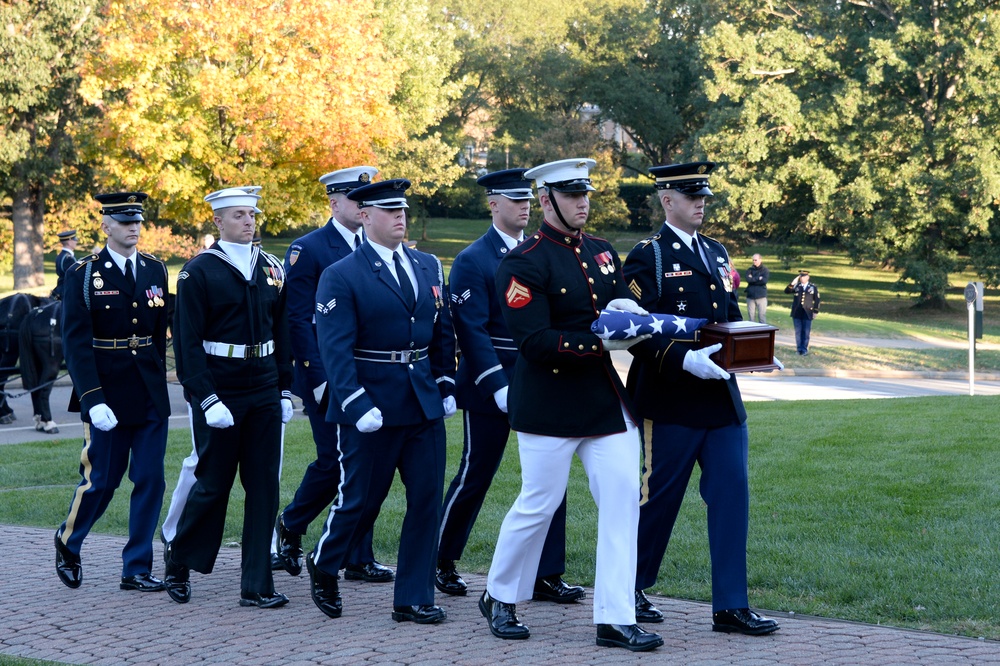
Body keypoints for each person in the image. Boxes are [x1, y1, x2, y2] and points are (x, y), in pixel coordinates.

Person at [480, 158, 662, 653]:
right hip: (549, 404)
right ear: (545, 200)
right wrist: (603, 340)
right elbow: (535, 340)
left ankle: (616, 617)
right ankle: (499, 596)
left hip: (603, 401)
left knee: (624, 499)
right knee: (538, 503)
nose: (583, 202)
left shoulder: (603, 252)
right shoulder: (523, 262)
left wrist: (659, 334)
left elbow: (627, 310)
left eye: (586, 194)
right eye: (572, 194)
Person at [622, 161, 779, 636]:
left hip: (720, 400)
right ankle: (627, 587)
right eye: (692, 196)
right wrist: (682, 359)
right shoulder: (646, 256)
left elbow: (729, 317)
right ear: (667, 200)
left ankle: (730, 605)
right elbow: (634, 331)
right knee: (658, 500)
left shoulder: (716, 252)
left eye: (704, 195)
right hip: (669, 398)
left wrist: (757, 353)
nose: (701, 203)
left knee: (732, 495)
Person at [305, 178, 456, 625]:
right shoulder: (342, 274)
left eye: (403, 210)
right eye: (389, 211)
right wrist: (354, 402)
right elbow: (333, 347)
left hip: (421, 401)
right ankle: (325, 561)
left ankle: (412, 597)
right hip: (369, 404)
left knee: (427, 499)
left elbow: (442, 330)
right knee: (360, 500)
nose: (400, 218)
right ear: (365, 216)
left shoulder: (427, 265)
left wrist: (446, 383)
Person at [436, 168, 582, 603]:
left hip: (539, 376)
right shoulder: (472, 259)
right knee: (476, 472)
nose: (523, 206)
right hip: (492, 380)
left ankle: (546, 573)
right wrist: (495, 383)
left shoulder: (543, 252)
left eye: (527, 200)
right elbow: (472, 330)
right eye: (513, 200)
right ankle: (440, 558)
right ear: (493, 204)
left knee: (550, 478)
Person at [163, 186, 294, 609]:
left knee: (263, 488)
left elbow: (283, 333)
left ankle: (256, 585)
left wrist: (285, 388)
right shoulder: (198, 271)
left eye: (252, 215)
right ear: (218, 221)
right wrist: (206, 398)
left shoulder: (272, 267)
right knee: (213, 484)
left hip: (263, 387)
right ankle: (178, 559)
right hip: (221, 388)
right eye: (239, 215)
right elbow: (187, 344)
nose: (249, 221)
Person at [273, 166, 392, 583]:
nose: (362, 208)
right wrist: (320, 379)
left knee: (371, 465)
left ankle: (357, 557)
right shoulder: (309, 249)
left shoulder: (377, 246)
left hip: (372, 377)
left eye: (367, 201)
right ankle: (291, 522)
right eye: (356, 200)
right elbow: (300, 321)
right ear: (334, 202)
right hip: (328, 376)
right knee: (336, 464)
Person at [55, 192, 170, 593]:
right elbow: (75, 342)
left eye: (137, 220)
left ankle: (136, 567)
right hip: (106, 388)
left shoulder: (156, 269)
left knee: (152, 478)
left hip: (149, 388)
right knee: (102, 480)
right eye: (124, 222)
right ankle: (69, 541)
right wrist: (92, 398)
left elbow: (157, 335)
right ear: (105, 226)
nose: (134, 227)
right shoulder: (84, 274)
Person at [785, 270, 820, 355]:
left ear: (808, 277)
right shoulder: (797, 286)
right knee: (798, 331)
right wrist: (793, 283)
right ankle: (799, 349)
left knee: (806, 332)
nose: (802, 278)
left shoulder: (812, 287)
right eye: (801, 276)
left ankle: (804, 349)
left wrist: (815, 311)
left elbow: (817, 300)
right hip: (797, 312)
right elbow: (787, 291)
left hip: (807, 312)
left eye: (804, 276)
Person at [52, 229, 79, 300]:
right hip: (66, 291)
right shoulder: (68, 258)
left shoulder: (60, 255)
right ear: (69, 242)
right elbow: (74, 276)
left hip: (60, 288)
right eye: (74, 240)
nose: (76, 242)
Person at [744, 254, 769, 324]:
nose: (754, 261)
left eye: (756, 260)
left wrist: (753, 279)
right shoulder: (750, 270)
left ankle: (763, 333)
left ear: (760, 260)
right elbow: (748, 279)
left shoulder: (765, 270)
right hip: (750, 296)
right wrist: (758, 278)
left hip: (761, 296)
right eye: (753, 260)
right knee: (751, 317)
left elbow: (764, 281)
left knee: (762, 316)